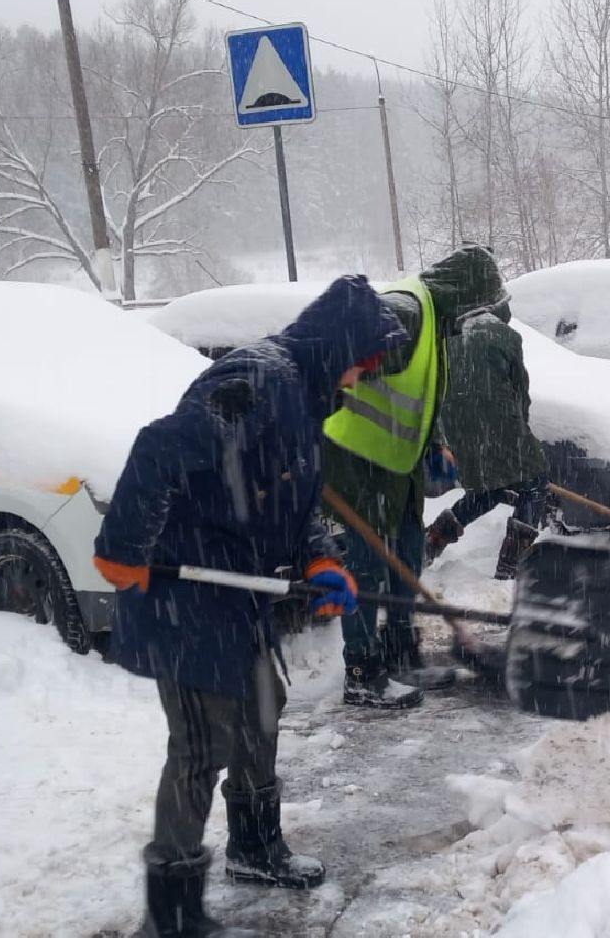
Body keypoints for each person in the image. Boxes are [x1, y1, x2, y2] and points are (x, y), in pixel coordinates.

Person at [92, 276, 405, 938]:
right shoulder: (259, 384)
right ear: (341, 346)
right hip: (189, 594)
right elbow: (159, 448)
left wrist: (321, 558)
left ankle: (255, 849)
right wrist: (122, 548)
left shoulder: (306, 394)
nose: (362, 378)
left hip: (241, 594)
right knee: (200, 748)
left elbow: (290, 497)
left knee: (263, 709)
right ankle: (171, 913)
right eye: (364, 363)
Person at [323, 244, 510, 708]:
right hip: (358, 463)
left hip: (396, 466)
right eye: (478, 308)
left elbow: (419, 394)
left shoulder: (435, 322)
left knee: (407, 555)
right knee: (368, 565)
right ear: (464, 295)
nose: (476, 319)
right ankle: (362, 672)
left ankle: (400, 650)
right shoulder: (404, 311)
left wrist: (435, 443)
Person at [425, 300, 548, 582]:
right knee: (535, 481)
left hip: (457, 431)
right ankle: (511, 565)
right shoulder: (505, 335)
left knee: (487, 489)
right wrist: (519, 436)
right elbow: (521, 394)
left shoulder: (447, 338)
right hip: (500, 426)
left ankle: (431, 541)